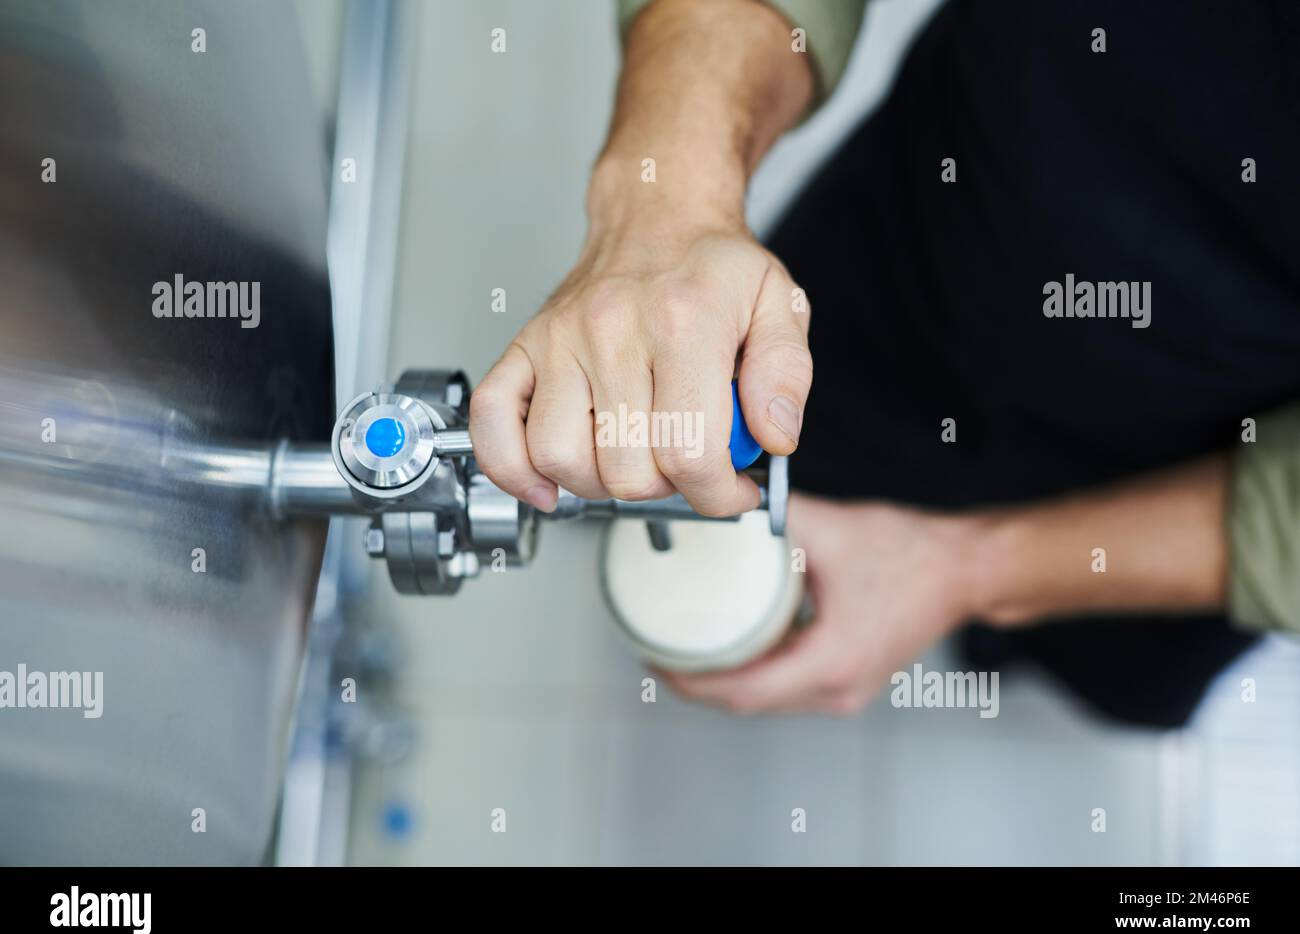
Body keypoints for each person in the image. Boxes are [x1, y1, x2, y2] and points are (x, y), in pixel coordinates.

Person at [469, 0, 1300, 726]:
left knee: (1089, 653)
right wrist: (667, 197)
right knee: (786, 445)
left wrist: (970, 571)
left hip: (1217, 447)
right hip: (941, 216)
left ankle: (998, 638)